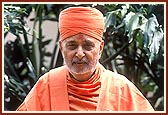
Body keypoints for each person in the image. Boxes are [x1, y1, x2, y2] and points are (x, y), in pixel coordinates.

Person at [16, 6, 154, 111]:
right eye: (72, 46)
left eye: (88, 46)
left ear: (100, 49)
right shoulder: (46, 84)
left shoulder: (121, 88)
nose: (80, 53)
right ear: (61, 48)